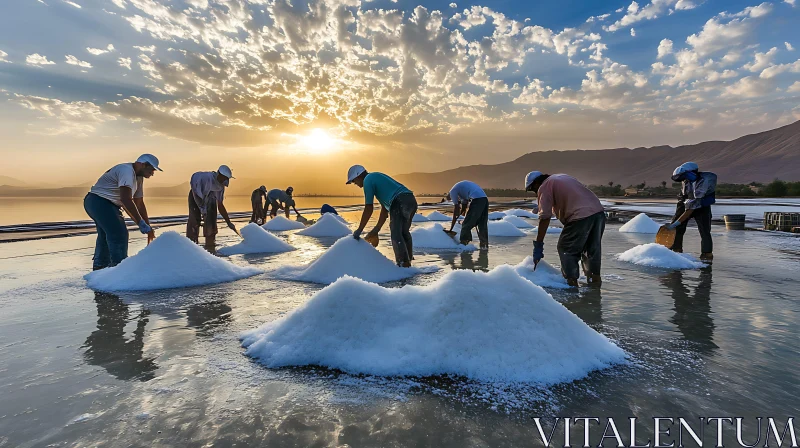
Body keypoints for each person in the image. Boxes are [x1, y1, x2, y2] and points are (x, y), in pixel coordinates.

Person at [525, 171, 606, 287]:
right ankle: (595, 284)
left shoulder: (545, 186)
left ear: (536, 183)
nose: (535, 193)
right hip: (599, 213)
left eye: (533, 189)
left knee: (566, 248)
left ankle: (571, 285)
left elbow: (544, 217)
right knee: (591, 250)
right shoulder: (563, 177)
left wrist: (538, 244)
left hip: (580, 216)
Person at [84, 154, 161, 271]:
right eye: (151, 170)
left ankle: (100, 269)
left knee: (106, 234)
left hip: (107, 204)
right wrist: (140, 222)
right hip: (98, 202)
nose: (152, 173)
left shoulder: (138, 178)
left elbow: (139, 203)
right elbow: (125, 199)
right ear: (143, 165)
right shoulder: (126, 171)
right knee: (119, 234)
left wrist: (147, 225)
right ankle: (120, 269)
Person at [346, 165, 417, 267]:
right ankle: (409, 262)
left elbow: (369, 208)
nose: (355, 184)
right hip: (410, 200)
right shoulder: (376, 179)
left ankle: (404, 265)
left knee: (396, 233)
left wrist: (359, 230)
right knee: (404, 232)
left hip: (400, 201)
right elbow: (384, 211)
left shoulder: (367, 180)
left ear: (359, 175)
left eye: (354, 181)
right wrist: (376, 230)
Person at [664, 162, 716, 260]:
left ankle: (706, 255)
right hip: (686, 203)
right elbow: (686, 199)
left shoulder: (704, 181)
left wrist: (674, 224)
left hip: (702, 206)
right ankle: (677, 251)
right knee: (678, 229)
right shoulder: (686, 181)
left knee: (704, 231)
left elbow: (690, 209)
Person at [187, 165, 237, 250]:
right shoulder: (205, 178)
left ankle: (210, 246)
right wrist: (203, 209)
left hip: (210, 199)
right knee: (194, 221)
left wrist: (228, 222)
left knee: (211, 223)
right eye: (224, 178)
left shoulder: (220, 187)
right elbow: (196, 192)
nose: (225, 181)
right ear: (219, 175)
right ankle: (191, 246)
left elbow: (220, 205)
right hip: (196, 194)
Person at [446, 180, 489, 249]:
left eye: (452, 200)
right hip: (484, 199)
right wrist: (462, 215)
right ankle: (484, 245)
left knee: (466, 224)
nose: (455, 200)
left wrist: (451, 228)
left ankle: (464, 244)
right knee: (482, 223)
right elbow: (463, 209)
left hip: (477, 200)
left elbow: (456, 211)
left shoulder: (452, 192)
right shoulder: (462, 193)